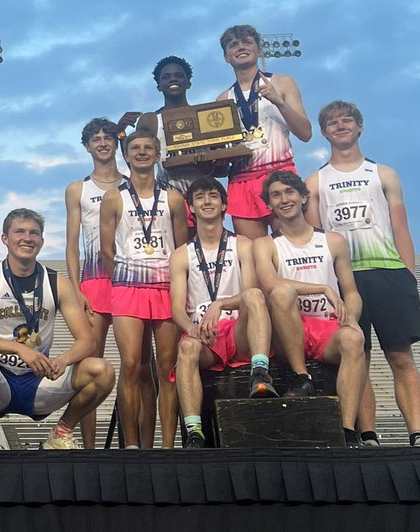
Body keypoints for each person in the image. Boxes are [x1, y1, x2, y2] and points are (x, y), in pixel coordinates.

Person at [305, 101, 420, 447]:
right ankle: (368, 436)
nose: (340, 126)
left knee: (400, 357)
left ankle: (416, 431)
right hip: (345, 279)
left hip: (386, 271)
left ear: (360, 126)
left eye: (347, 121)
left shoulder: (383, 173)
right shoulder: (316, 181)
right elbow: (316, 238)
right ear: (324, 132)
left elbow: (401, 228)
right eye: (333, 123)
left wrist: (408, 274)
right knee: (359, 358)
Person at [0, 207, 115, 450]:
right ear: (5, 239)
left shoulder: (57, 282)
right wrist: (18, 349)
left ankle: (61, 433)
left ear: (42, 241)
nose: (27, 238)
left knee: (102, 370)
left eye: (34, 233)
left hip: (40, 380)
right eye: (20, 232)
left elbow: (87, 340)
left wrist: (63, 360)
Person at [253, 171, 366, 448]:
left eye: (289, 192)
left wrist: (352, 319)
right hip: (289, 329)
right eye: (276, 195)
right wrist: (322, 288)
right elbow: (270, 284)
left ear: (303, 197)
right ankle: (301, 377)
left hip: (326, 328)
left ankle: (347, 431)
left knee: (354, 339)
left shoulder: (333, 241)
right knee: (281, 293)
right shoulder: (266, 244)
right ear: (269, 204)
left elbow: (351, 292)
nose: (284, 199)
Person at [170, 177, 277, 449]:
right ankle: (195, 432)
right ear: (191, 208)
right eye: (200, 197)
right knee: (187, 348)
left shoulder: (243, 244)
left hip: (239, 330)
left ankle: (260, 374)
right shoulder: (181, 255)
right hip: (205, 336)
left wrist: (219, 305)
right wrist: (192, 329)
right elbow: (177, 309)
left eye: (213, 196)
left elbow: (251, 293)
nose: (207, 201)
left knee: (255, 296)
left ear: (224, 205)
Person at [99, 129, 188, 448]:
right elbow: (106, 249)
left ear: (158, 154)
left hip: (165, 288)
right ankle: (133, 445)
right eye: (135, 148)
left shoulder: (173, 198)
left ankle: (166, 446)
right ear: (125, 155)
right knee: (132, 365)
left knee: (166, 368)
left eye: (148, 147)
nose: (141, 152)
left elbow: (182, 249)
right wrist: (123, 279)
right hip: (128, 288)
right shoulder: (113, 197)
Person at [63, 118, 126, 448]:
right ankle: (89, 448)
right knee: (91, 364)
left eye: (107, 137)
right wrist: (76, 290)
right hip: (94, 280)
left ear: (116, 142)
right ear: (87, 146)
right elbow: (71, 245)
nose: (102, 143)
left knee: (135, 365)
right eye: (96, 139)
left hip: (129, 280)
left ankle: (133, 443)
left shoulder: (133, 184)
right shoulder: (78, 189)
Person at [215, 25, 311, 239]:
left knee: (291, 245)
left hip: (279, 172)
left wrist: (278, 101)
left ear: (259, 50)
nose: (241, 47)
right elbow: (222, 153)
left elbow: (305, 133)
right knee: (253, 252)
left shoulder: (282, 82)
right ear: (226, 57)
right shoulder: (223, 99)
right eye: (233, 44)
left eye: (247, 42)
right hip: (242, 179)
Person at [136, 56, 208, 207]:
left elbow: (222, 169)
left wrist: (209, 165)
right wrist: (121, 135)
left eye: (179, 75)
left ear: (188, 83)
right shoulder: (150, 120)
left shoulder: (204, 116)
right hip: (166, 197)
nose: (173, 79)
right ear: (159, 86)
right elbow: (138, 164)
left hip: (203, 195)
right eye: (166, 77)